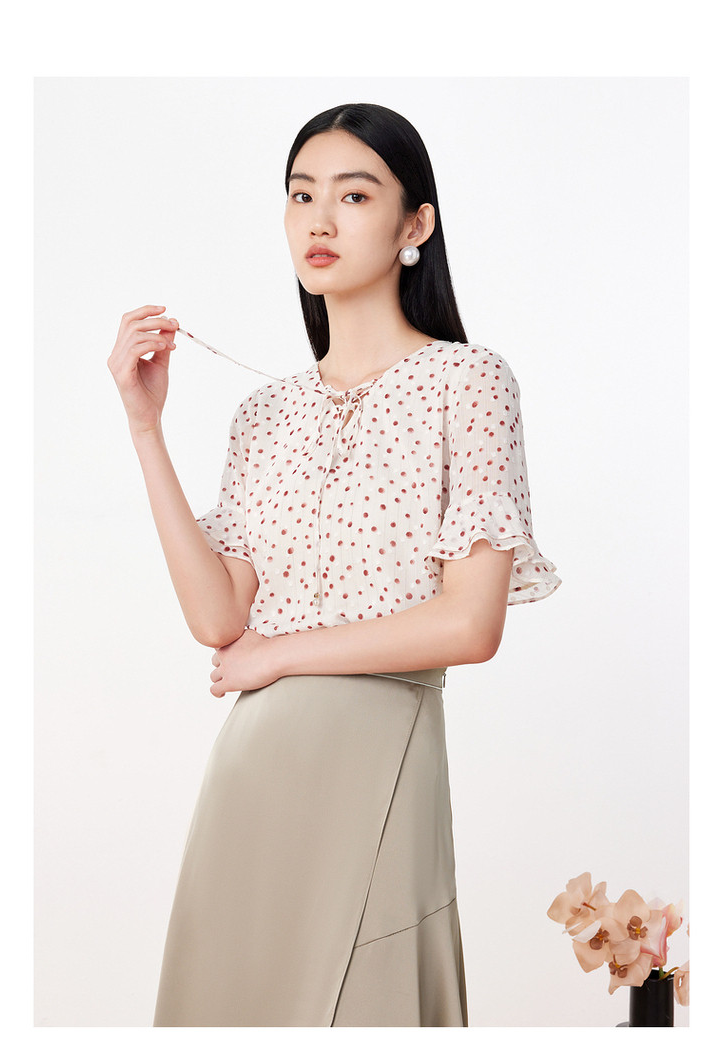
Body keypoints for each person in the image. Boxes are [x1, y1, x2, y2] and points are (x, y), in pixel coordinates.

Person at [107, 102, 561, 1027]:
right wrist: (145, 427)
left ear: (415, 224)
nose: (319, 219)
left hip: (380, 752)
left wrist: (277, 656)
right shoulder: (264, 415)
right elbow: (218, 619)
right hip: (253, 772)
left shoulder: (469, 381)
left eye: (354, 195)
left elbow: (470, 624)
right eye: (301, 195)